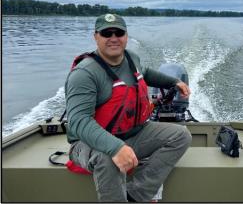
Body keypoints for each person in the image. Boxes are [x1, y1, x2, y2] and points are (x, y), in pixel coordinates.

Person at [65, 13, 192, 202]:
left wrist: (174, 82)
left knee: (180, 135)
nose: (113, 38)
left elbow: (146, 74)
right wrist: (116, 148)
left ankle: (136, 194)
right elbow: (78, 122)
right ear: (96, 37)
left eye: (119, 32)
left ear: (126, 36)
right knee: (108, 158)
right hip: (88, 144)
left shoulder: (131, 58)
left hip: (131, 133)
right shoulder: (84, 74)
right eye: (107, 33)